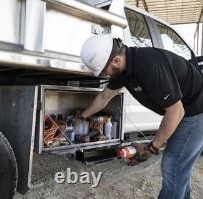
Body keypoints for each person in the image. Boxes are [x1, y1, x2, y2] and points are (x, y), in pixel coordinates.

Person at [80, 33, 203, 199]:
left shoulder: (149, 66)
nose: (105, 75)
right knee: (179, 169)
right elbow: (104, 97)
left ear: (116, 61)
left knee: (172, 165)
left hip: (196, 110)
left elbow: (176, 111)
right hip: (184, 110)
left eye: (104, 70)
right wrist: (81, 117)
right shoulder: (123, 69)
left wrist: (151, 148)